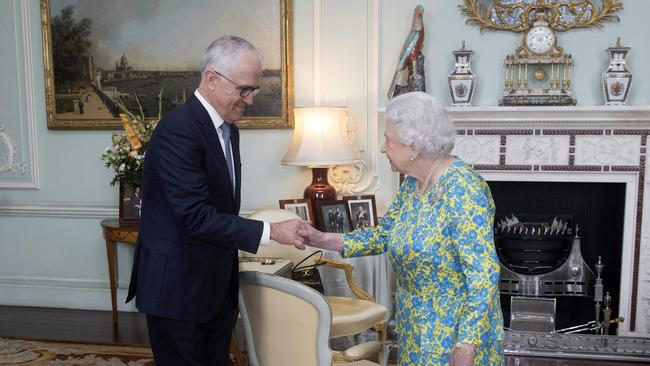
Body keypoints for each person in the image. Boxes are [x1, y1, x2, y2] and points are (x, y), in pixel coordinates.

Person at [126, 35, 305, 366]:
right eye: (244, 89)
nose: (250, 100)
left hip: (213, 289)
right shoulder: (178, 130)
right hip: (178, 292)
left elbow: (221, 207)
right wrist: (273, 232)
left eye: (253, 90)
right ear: (211, 79)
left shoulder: (226, 128)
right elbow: (195, 216)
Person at [298, 91, 504, 365]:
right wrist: (322, 238)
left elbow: (483, 274)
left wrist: (466, 346)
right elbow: (385, 234)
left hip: (454, 334)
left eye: (389, 139)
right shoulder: (412, 184)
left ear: (414, 146)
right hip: (414, 327)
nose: (383, 148)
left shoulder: (463, 190)